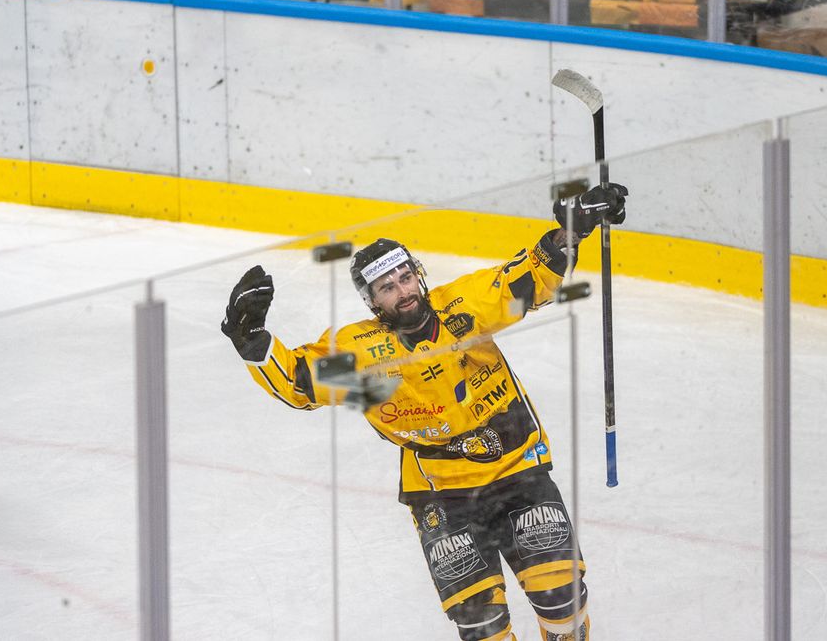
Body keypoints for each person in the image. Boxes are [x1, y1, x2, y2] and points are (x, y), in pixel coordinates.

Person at [221, 183, 627, 641]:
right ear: (372, 302)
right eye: (387, 287)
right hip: (441, 494)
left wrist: (569, 233)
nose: (403, 291)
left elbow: (526, 283)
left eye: (406, 277)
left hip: (516, 469)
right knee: (481, 627)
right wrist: (251, 340)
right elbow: (300, 382)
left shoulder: (466, 306)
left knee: (561, 600)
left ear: (419, 276)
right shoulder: (363, 353)